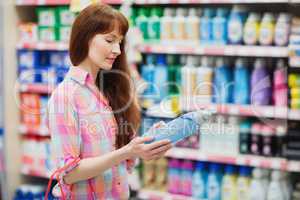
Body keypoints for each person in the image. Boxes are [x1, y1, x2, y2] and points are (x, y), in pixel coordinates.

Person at [46, 3, 172, 199]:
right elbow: (69, 173)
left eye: (120, 42)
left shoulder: (110, 90)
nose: (118, 50)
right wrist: (125, 152)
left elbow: (119, 159)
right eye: (110, 40)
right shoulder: (65, 97)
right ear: (84, 38)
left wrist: (144, 145)